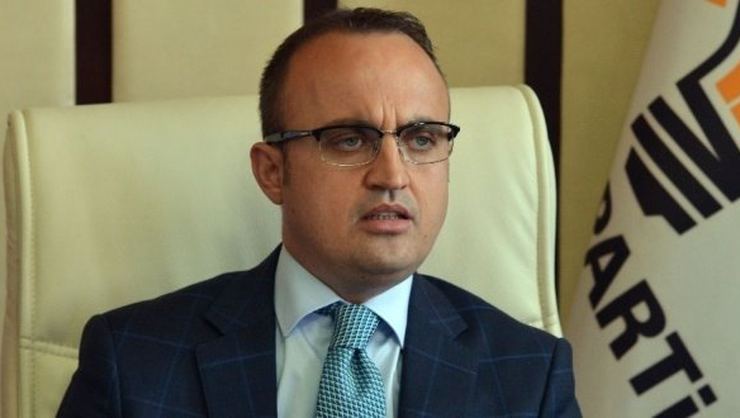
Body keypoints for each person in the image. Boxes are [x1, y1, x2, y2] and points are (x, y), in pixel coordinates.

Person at [58, 8, 581, 418]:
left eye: (422, 139)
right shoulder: (133, 360)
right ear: (272, 172)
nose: (393, 175)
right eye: (350, 139)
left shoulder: (529, 375)